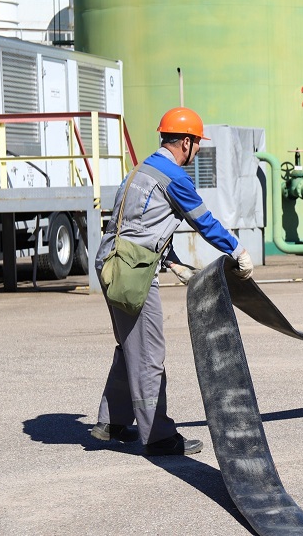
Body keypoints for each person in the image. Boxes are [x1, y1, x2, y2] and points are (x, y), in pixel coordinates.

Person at [91, 107, 254, 455]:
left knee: (130, 346)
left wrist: (174, 262)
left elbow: (143, 224)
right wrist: (238, 250)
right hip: (134, 273)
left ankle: (112, 422)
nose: (196, 152)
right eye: (196, 145)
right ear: (185, 142)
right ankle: (158, 436)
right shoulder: (174, 177)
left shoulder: (139, 171)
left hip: (111, 264)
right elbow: (204, 221)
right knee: (149, 352)